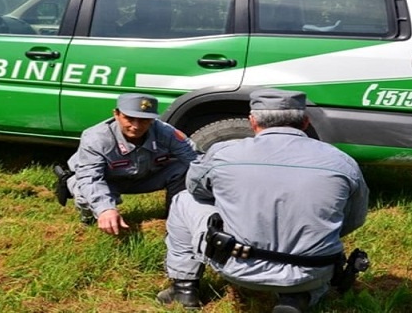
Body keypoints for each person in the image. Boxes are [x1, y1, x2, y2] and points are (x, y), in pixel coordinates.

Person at [157, 88, 369, 312]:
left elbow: (196, 189)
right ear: (305, 122)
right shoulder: (341, 161)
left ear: (253, 121)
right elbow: (354, 219)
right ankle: (298, 296)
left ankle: (184, 289)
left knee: (183, 200)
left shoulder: (223, 153)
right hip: (314, 270)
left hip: (238, 266)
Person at [54, 93, 198, 236]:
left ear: (153, 120)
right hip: (108, 181)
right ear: (116, 114)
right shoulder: (96, 138)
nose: (136, 126)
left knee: (185, 168)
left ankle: (175, 216)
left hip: (147, 176)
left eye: (144, 120)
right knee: (83, 191)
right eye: (129, 118)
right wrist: (105, 209)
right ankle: (89, 221)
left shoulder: (166, 132)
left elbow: (195, 160)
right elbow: (90, 178)